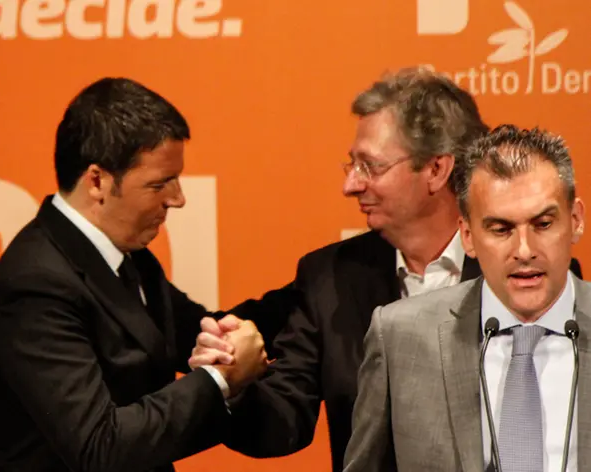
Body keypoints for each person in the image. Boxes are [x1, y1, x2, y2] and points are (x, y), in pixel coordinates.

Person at [188, 67, 583, 471]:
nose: (351, 185)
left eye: (370, 167)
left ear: (436, 170)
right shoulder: (331, 277)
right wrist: (233, 388)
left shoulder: (528, 271)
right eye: (352, 166)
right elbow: (282, 421)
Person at [0, 77, 276, 472]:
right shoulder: (35, 285)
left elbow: (202, 330)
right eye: (160, 183)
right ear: (97, 181)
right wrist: (219, 380)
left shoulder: (127, 256)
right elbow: (101, 448)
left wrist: (316, 288)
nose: (178, 198)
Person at [342, 124, 589, 471]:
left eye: (543, 224)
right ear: (468, 236)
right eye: (501, 229)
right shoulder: (400, 338)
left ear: (576, 220)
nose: (524, 250)